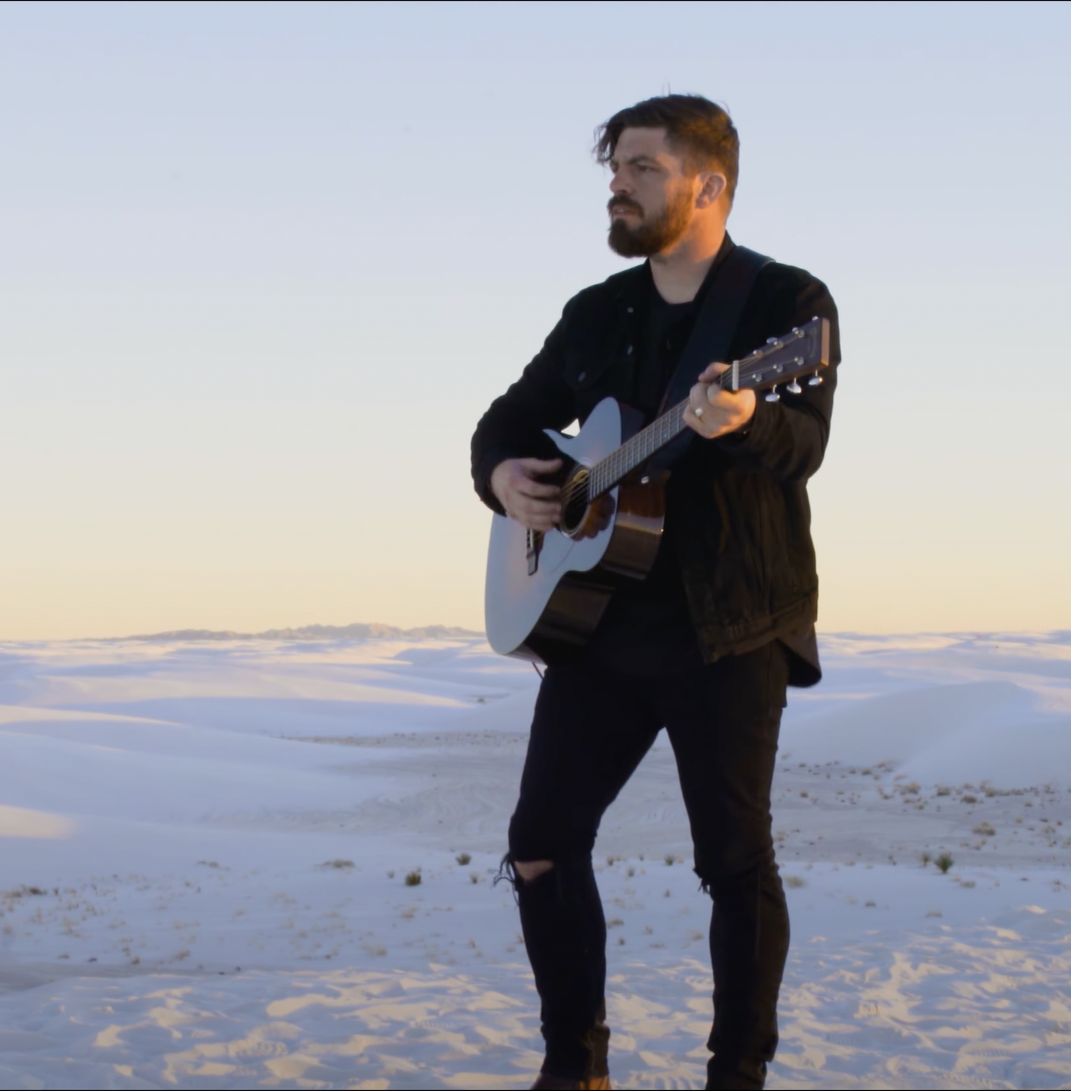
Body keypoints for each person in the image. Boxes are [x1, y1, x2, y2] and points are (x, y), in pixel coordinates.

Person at [469, 94, 840, 1091]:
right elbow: (507, 419)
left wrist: (745, 420)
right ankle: (574, 1064)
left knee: (733, 860)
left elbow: (804, 445)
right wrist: (504, 477)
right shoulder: (597, 311)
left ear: (707, 185)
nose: (617, 187)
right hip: (597, 627)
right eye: (614, 169)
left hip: (729, 625)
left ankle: (736, 1073)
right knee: (539, 844)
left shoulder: (785, 306)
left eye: (641, 168)